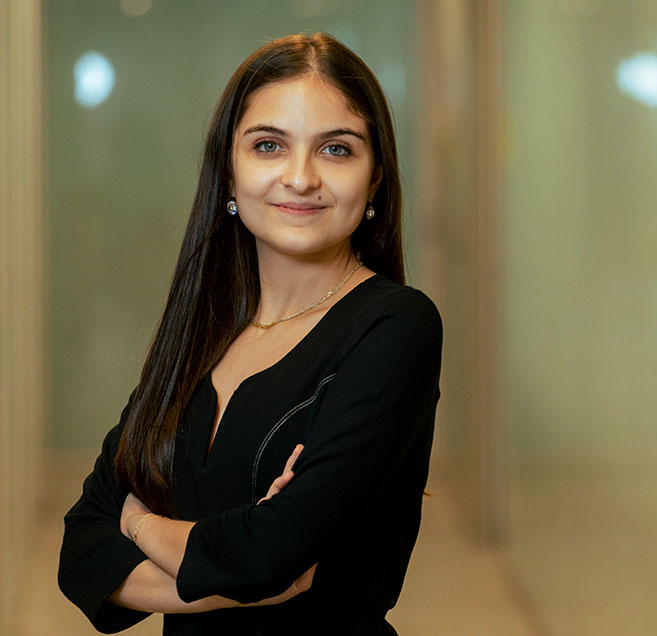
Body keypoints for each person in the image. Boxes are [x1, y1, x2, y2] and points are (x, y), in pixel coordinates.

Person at [57, 32, 442, 635]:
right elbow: (82, 547)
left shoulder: (396, 328)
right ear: (229, 175)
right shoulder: (203, 330)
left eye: (337, 150)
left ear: (375, 181)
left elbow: (266, 557)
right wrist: (231, 575)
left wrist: (136, 525)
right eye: (268, 145)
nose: (299, 177)